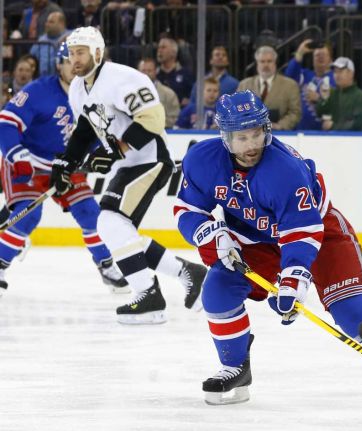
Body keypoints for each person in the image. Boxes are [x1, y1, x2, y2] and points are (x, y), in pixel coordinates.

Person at [175, 90, 362, 410]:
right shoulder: (202, 160)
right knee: (218, 290)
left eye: (256, 133)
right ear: (225, 136)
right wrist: (209, 233)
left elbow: (302, 231)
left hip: (319, 233)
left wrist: (293, 280)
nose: (252, 144)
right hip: (255, 239)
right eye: (242, 137)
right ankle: (235, 367)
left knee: (351, 310)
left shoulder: (284, 169)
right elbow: (187, 209)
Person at [49, 26, 207, 324]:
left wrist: (115, 150)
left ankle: (149, 294)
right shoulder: (78, 88)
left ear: (97, 52)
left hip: (150, 160)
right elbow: (85, 131)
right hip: (127, 165)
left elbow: (153, 119)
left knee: (110, 223)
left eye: (81, 52)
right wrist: (65, 164)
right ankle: (188, 273)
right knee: (116, 230)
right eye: (71, 54)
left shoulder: (123, 78)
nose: (74, 59)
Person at [0, 42, 127, 297]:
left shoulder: (94, 96)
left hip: (66, 165)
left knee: (91, 214)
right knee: (28, 215)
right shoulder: (38, 91)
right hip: (29, 164)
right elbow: (6, 122)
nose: (75, 64)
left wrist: (102, 153)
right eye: (69, 60)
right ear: (59, 65)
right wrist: (16, 155)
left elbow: (98, 138)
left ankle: (106, 266)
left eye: (80, 59)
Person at [237, 45, 302, 131]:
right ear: (257, 64)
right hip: (250, 134)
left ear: (275, 63)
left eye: (269, 61)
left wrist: (280, 125)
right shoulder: (244, 85)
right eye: (262, 61)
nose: (266, 65)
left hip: (281, 134)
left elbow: (295, 112)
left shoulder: (290, 85)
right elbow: (237, 111)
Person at [284, 39, 335, 130]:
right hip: (300, 131)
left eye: (323, 55)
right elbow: (288, 79)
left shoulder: (336, 78)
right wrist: (299, 53)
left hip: (324, 133)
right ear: (313, 59)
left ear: (331, 60)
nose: (320, 57)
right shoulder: (305, 75)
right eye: (317, 55)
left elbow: (339, 104)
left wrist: (319, 99)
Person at [315, 57, 362, 131]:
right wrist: (324, 98)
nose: (337, 75)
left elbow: (360, 124)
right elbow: (319, 113)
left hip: (351, 138)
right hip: (332, 137)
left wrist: (334, 127)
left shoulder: (361, 97)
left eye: (340, 71)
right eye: (335, 72)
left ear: (351, 74)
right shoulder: (333, 94)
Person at [137, 57, 180, 128]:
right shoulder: (128, 93)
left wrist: (152, 123)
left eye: (149, 71)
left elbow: (174, 118)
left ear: (156, 71)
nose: (146, 74)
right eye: (143, 71)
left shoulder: (169, 94)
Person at [28, 11, 71, 76]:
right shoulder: (41, 40)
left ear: (61, 24)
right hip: (43, 78)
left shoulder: (72, 35)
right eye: (46, 22)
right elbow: (30, 58)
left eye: (51, 22)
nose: (47, 24)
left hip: (64, 77)